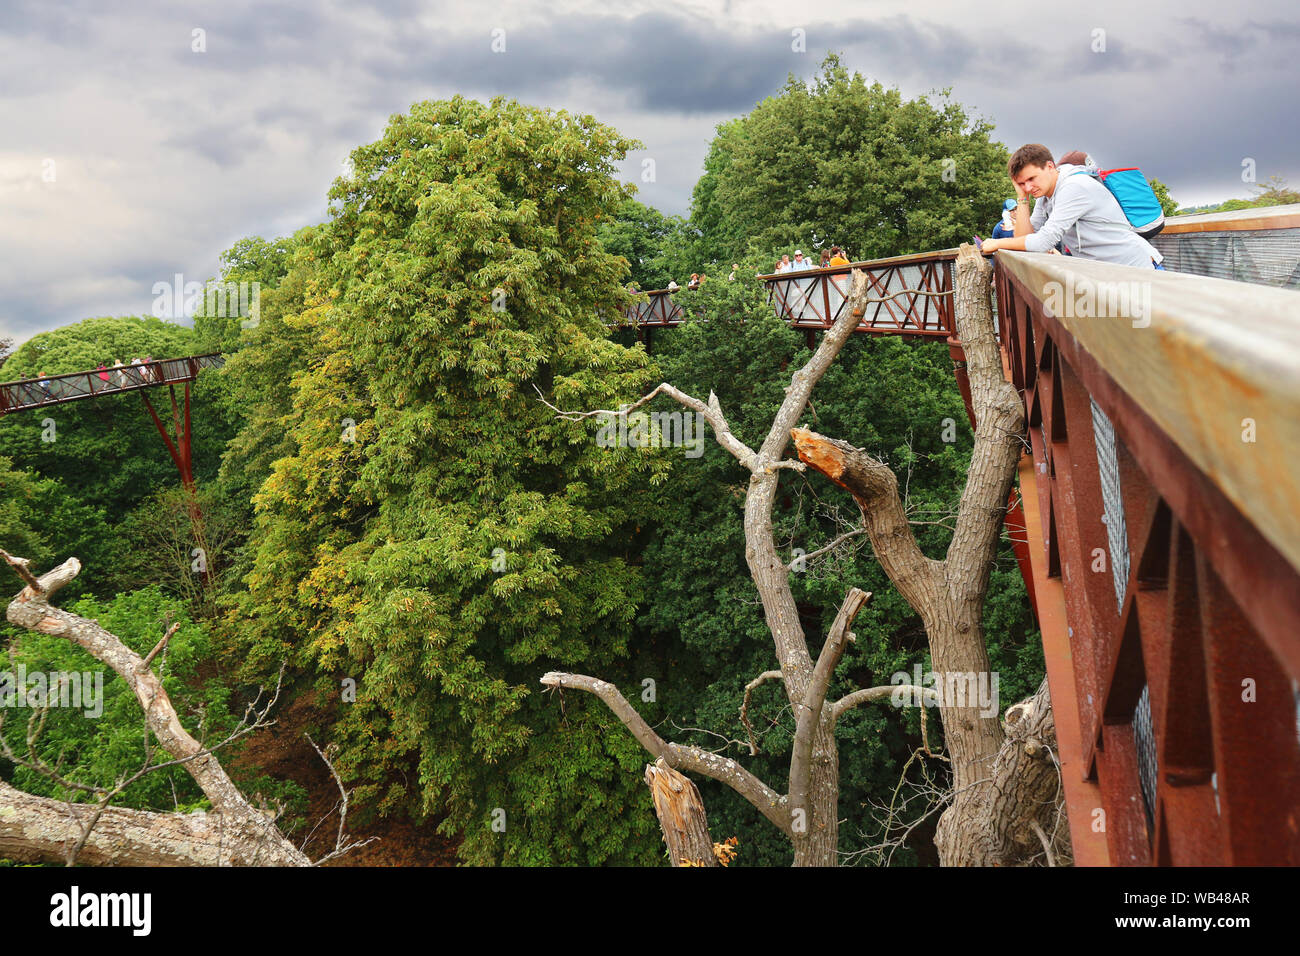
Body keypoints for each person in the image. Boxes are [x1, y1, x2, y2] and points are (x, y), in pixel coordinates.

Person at [979, 143, 1163, 269]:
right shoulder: (1044, 195)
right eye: (1021, 183)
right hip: (1109, 274)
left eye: (1031, 179)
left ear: (1050, 166)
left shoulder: (1074, 187)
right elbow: (1025, 238)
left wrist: (997, 243)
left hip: (1137, 269)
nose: (1028, 187)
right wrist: (1022, 198)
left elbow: (1043, 241)